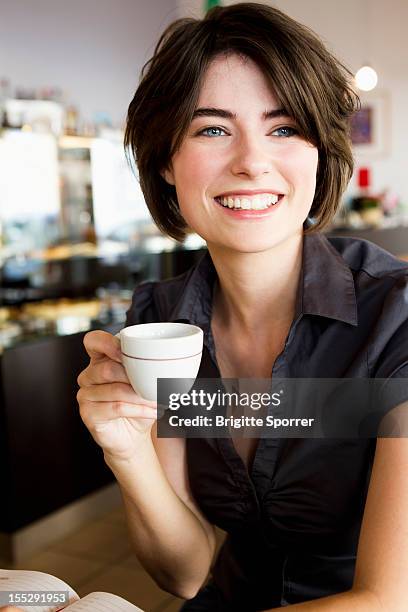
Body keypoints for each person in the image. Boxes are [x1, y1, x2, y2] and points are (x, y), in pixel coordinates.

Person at [77, 3, 408, 610]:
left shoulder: (397, 317)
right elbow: (184, 572)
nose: (252, 160)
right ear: (165, 163)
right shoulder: (160, 320)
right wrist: (126, 449)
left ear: (319, 154)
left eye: (283, 128)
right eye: (212, 128)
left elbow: (388, 599)